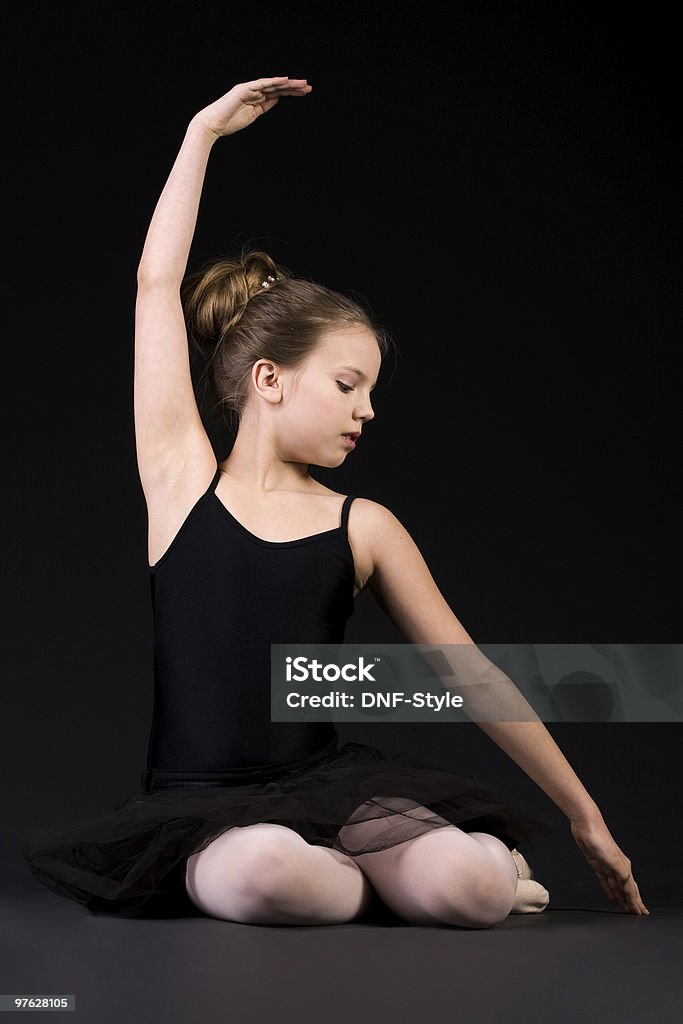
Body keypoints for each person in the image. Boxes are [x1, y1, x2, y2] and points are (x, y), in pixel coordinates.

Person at [22, 76, 649, 927]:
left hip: (329, 788)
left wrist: (586, 816)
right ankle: (380, 881)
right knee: (265, 876)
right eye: (349, 385)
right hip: (204, 807)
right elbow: (153, 285)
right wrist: (202, 133)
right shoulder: (180, 483)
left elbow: (470, 676)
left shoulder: (363, 526)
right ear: (268, 380)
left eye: (371, 391)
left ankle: (472, 870)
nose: (368, 411)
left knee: (467, 895)